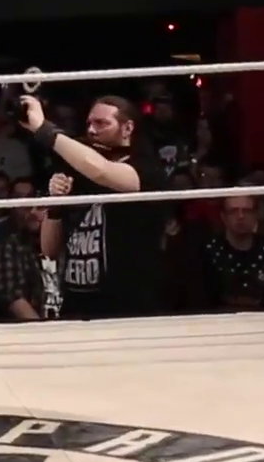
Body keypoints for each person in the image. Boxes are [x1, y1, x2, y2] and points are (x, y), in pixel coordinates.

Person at [25, 94, 170, 318]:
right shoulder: (78, 172)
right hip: (76, 304)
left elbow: (102, 171)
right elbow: (49, 250)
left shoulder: (146, 168)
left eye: (101, 123)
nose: (92, 130)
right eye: (89, 123)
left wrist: (44, 130)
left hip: (127, 305)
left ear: (127, 128)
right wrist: (55, 204)